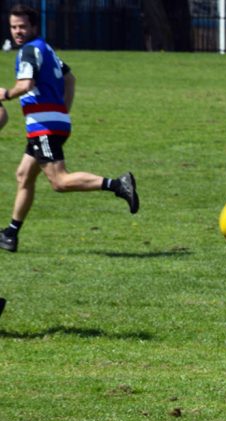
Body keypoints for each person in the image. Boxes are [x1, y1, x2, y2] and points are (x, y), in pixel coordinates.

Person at [0, 5, 138, 254]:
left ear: (33, 27)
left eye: (22, 26)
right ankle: (10, 234)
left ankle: (118, 184)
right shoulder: (45, 48)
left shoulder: (29, 51)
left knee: (59, 181)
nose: (18, 31)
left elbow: (26, 84)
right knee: (24, 175)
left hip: (44, 125)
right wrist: (63, 111)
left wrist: (6, 94)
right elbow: (70, 78)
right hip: (52, 121)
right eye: (14, 27)